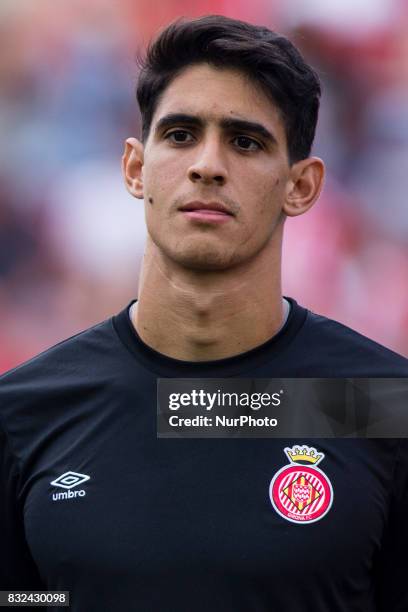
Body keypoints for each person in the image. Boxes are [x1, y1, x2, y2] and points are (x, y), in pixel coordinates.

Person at [1, 15, 407, 612]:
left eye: (246, 141)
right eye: (182, 134)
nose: (207, 165)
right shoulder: (26, 413)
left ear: (302, 186)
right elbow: (22, 600)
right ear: (136, 168)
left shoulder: (374, 406)